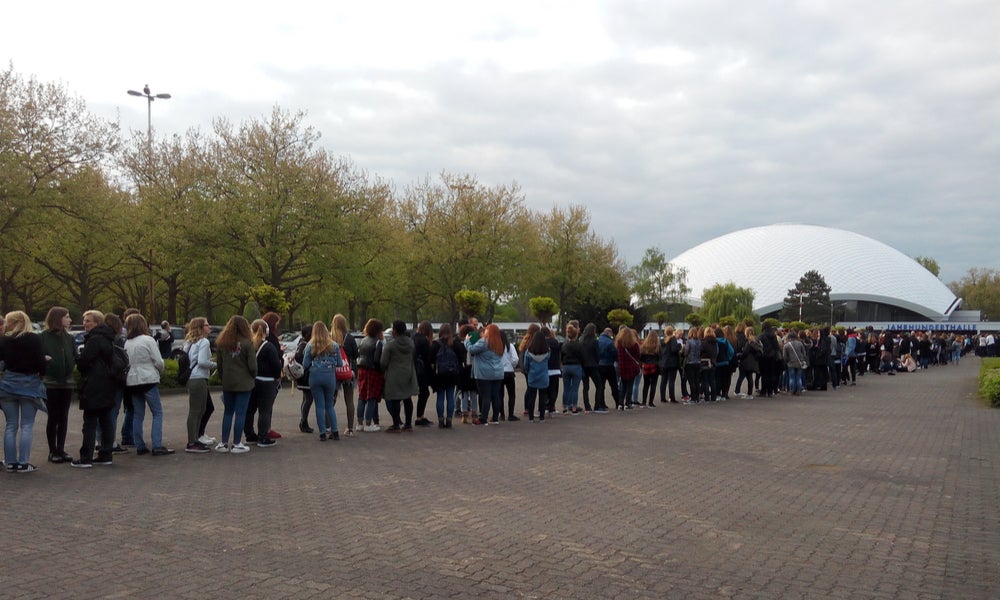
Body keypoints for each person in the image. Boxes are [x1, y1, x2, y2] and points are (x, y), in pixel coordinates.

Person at [0, 311, 48, 473]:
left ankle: (10, 462)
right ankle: (23, 463)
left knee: (11, 426)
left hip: (7, 385)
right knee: (27, 425)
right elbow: (41, 362)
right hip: (29, 385)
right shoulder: (34, 338)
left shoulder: (4, 340)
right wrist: (42, 371)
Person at [71, 309, 117, 468]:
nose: (84, 324)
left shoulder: (94, 340)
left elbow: (84, 361)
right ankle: (106, 454)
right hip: (108, 383)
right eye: (84, 320)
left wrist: (78, 359)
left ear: (97, 322)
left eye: (88, 321)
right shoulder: (108, 338)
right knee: (106, 420)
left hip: (93, 384)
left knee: (90, 422)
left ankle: (86, 458)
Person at [124, 314, 173, 456]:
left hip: (132, 381)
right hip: (148, 379)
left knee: (138, 414)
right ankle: (157, 445)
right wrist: (160, 371)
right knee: (157, 412)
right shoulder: (148, 340)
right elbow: (158, 361)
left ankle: (139, 445)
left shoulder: (128, 342)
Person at [215, 315, 258, 453]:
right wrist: (253, 376)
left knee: (228, 412)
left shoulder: (222, 343)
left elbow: (219, 365)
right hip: (244, 383)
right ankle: (237, 443)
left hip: (228, 382)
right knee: (241, 413)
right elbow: (253, 366)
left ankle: (223, 443)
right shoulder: (247, 343)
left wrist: (223, 378)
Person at [39, 306, 76, 463]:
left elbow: (74, 355)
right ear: (57, 318)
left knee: (64, 417)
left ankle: (61, 449)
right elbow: (37, 357)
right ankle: (52, 450)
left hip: (67, 383)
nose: (69, 319)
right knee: (53, 417)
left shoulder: (69, 338)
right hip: (51, 383)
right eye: (66, 317)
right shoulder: (43, 337)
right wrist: (46, 363)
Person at [245, 311, 283, 443]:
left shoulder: (248, 345)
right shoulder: (268, 346)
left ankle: (249, 435)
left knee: (250, 410)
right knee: (265, 411)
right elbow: (276, 367)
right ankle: (263, 437)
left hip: (252, 382)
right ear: (266, 330)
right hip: (267, 383)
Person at [303, 321, 343, 441]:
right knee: (329, 405)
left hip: (315, 377)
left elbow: (305, 364)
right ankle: (335, 431)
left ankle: (322, 433)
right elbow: (340, 363)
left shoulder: (310, 345)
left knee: (319, 406)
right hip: (329, 377)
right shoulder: (334, 345)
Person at [183, 317, 216, 453]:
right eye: (207, 325)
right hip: (199, 378)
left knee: (199, 409)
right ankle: (192, 441)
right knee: (196, 410)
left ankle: (195, 438)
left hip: (191, 378)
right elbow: (202, 362)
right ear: (201, 327)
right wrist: (215, 364)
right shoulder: (204, 342)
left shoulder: (189, 343)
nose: (209, 327)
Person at [381, 320, 418, 432]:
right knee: (407, 398)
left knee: (395, 399)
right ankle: (408, 424)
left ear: (395, 331)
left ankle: (396, 424)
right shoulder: (411, 343)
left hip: (394, 374)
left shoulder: (390, 345)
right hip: (408, 372)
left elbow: (383, 362)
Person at [466, 323, 505, 425]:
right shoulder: (499, 343)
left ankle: (483, 419)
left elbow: (471, 349)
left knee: (486, 396)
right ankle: (495, 418)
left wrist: (467, 341)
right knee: (496, 396)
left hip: (484, 373)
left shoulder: (484, 342)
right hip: (498, 373)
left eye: (487, 329)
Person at [429, 322, 464, 428]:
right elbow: (461, 357)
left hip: (439, 374)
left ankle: (440, 420)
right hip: (452, 375)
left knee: (440, 397)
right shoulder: (455, 344)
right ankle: (449, 420)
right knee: (450, 396)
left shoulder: (436, 344)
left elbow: (431, 360)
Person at [332, 314, 360, 435]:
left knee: (331, 400)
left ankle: (330, 427)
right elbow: (355, 355)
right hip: (348, 371)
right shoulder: (349, 338)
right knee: (349, 400)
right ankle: (349, 428)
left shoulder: (330, 337)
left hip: (333, 371)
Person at [355, 319, 384, 432]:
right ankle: (368, 423)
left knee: (361, 396)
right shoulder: (378, 342)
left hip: (361, 370)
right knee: (371, 397)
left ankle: (359, 423)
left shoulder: (363, 340)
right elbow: (377, 360)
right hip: (372, 371)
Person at [522, 330, 551, 422]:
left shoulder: (528, 351)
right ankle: (542, 417)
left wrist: (528, 371)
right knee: (542, 398)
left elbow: (526, 365)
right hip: (543, 377)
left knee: (532, 398)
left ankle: (531, 418)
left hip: (532, 376)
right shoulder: (547, 351)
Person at [412, 320, 434, 427]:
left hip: (414, 369)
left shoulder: (414, 338)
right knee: (424, 393)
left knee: (423, 393)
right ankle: (419, 417)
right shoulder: (424, 341)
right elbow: (427, 357)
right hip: (422, 371)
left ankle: (420, 416)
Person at [295, 325, 316, 433]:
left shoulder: (301, 343)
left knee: (306, 399)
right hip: (306, 376)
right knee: (308, 399)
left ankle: (304, 421)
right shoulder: (305, 345)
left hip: (303, 376)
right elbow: (301, 358)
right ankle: (303, 422)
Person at [561, 323, 585, 413]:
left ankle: (564, 407)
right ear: (576, 334)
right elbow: (582, 357)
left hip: (566, 367)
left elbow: (562, 357)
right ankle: (574, 408)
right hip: (576, 366)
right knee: (574, 389)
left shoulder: (564, 345)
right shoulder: (579, 345)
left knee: (566, 388)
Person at [616, 326, 641, 410]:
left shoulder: (619, 344)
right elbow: (637, 356)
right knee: (630, 386)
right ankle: (628, 403)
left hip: (622, 367)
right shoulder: (634, 345)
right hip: (631, 368)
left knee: (622, 386)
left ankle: (620, 404)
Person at [596, 327, 619, 412]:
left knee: (601, 386)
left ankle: (602, 403)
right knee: (614, 385)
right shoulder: (610, 342)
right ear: (609, 333)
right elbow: (615, 353)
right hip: (609, 365)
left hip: (600, 366)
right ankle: (618, 402)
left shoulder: (597, 341)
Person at [498, 329, 520, 421]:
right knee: (511, 394)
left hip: (499, 372)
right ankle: (511, 414)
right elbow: (515, 359)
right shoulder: (510, 346)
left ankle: (501, 414)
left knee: (500, 395)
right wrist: (511, 365)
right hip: (509, 372)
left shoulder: (495, 346)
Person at [580, 323, 601, 413]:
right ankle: (597, 405)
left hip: (583, 365)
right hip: (593, 365)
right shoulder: (595, 341)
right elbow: (597, 354)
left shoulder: (581, 340)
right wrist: (597, 361)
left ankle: (587, 406)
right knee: (599, 385)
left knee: (586, 387)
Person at [657, 326, 681, 404]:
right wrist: (679, 346)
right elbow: (674, 349)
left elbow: (659, 352)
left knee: (663, 381)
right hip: (672, 363)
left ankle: (662, 397)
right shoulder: (673, 339)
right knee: (671, 381)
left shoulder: (662, 340)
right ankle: (672, 397)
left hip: (664, 363)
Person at [783, 330, 808, 395]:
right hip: (799, 362)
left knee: (791, 377)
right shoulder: (800, 343)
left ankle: (792, 390)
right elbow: (804, 354)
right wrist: (802, 359)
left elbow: (785, 356)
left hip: (791, 363)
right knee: (798, 377)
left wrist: (787, 361)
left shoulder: (787, 345)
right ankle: (798, 390)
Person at [639, 330, 660, 407]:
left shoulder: (644, 346)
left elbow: (641, 357)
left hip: (646, 366)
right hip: (655, 366)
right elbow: (659, 357)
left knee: (646, 384)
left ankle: (643, 402)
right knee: (653, 385)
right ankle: (651, 402)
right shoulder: (657, 346)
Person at [699, 327, 719, 402]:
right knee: (712, 380)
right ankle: (713, 397)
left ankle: (707, 397)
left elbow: (700, 352)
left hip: (705, 362)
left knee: (705, 381)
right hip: (713, 362)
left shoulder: (703, 342)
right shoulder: (715, 342)